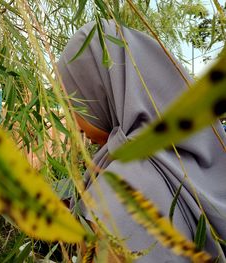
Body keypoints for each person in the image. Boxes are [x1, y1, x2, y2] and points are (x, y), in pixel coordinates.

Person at [57, 19, 226, 262]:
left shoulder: (119, 195)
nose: (68, 118)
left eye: (72, 100)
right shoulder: (195, 163)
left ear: (100, 95)